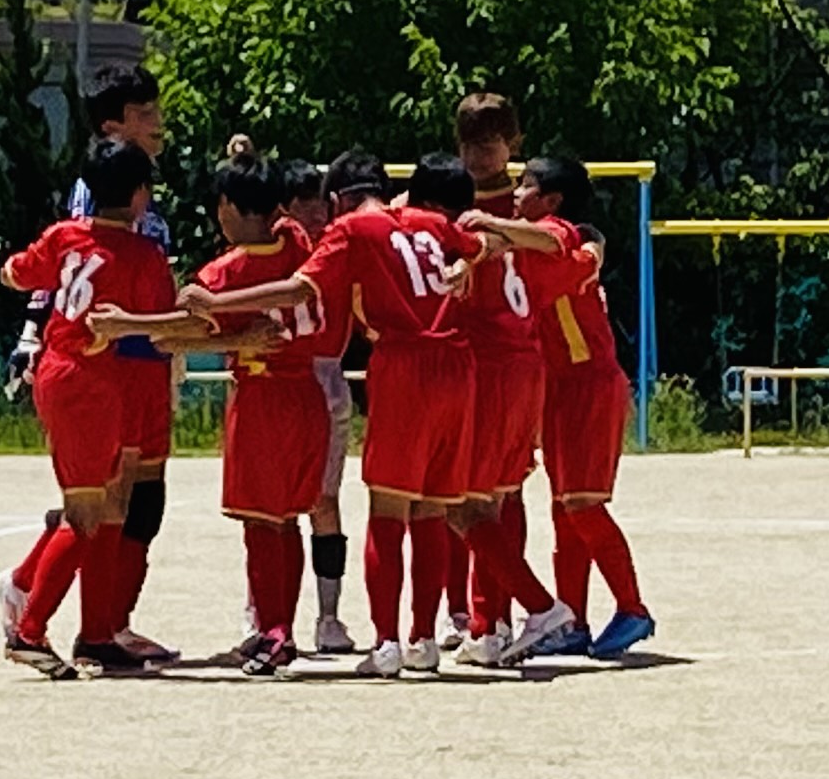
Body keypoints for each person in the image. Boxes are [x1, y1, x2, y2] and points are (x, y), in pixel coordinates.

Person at [182, 150, 565, 676]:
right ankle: (424, 638)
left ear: (339, 200)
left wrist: (217, 303)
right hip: (460, 364)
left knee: (388, 509)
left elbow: (299, 288)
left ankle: (386, 642)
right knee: (433, 508)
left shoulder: (350, 231)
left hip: (405, 362)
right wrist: (463, 265)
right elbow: (487, 244)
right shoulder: (430, 223)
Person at [102, 142, 337, 677]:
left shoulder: (223, 275)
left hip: (262, 399)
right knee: (287, 520)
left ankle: (274, 632)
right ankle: (280, 627)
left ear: (228, 205)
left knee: (260, 522)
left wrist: (132, 325)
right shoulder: (297, 243)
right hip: (308, 396)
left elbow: (174, 336)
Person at [2, 63, 180, 663]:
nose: (157, 122)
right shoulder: (134, 245)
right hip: (103, 374)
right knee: (92, 510)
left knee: (110, 506)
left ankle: (99, 629)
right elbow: (164, 322)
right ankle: (30, 619)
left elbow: (20, 271)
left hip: (77, 369)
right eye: (144, 113)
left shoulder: (67, 234)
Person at [464, 155, 653, 660]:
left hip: (588, 384)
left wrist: (487, 221)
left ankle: (632, 607)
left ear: (552, 200)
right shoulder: (548, 243)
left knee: (582, 505)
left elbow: (551, 239)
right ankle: (572, 617)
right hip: (559, 387)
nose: (516, 192)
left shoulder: (560, 236)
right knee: (564, 509)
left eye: (525, 185)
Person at [405, 151, 568, 670]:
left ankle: (540, 607)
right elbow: (546, 243)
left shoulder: (468, 229)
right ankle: (489, 626)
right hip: (526, 368)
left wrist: (463, 258)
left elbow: (471, 250)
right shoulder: (515, 228)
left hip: (491, 373)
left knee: (461, 506)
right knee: (497, 501)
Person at [449, 92, 541, 661]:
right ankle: (491, 620)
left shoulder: (515, 206)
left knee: (475, 499)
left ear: (513, 143)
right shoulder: (520, 203)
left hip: (495, 362)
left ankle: (494, 619)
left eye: (489, 143)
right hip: (499, 363)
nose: (477, 155)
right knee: (500, 494)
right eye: (469, 144)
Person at [279, 156, 355, 654]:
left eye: (320, 203)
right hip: (280, 377)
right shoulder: (273, 248)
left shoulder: (339, 247)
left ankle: (328, 616)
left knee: (324, 501)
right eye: (302, 203)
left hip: (325, 374)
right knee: (272, 507)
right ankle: (267, 614)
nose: (314, 213)